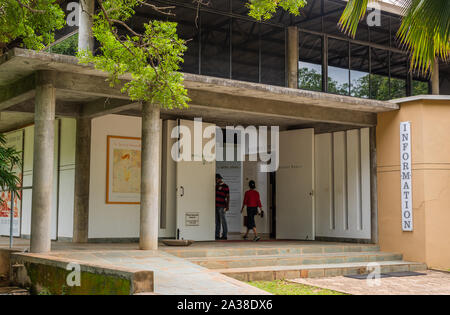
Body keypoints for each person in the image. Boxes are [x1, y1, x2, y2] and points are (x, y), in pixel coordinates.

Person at [215, 174, 229, 240]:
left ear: (219, 179)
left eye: (217, 179)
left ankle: (224, 235)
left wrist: (227, 206)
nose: (216, 180)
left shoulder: (225, 186)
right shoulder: (216, 186)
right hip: (216, 206)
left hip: (222, 206)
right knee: (217, 221)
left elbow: (228, 196)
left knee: (223, 221)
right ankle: (217, 235)